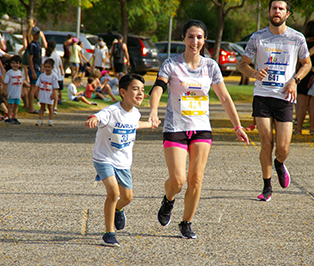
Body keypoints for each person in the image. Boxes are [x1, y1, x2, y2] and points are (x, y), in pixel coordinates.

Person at [148, 19, 249, 239]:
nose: (195, 41)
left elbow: (224, 97)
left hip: (202, 129)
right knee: (178, 181)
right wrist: (154, 111)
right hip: (175, 127)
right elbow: (157, 88)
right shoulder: (171, 64)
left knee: (196, 178)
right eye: (191, 36)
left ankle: (186, 223)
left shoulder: (210, 66)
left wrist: (237, 126)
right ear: (183, 38)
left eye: (200, 37)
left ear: (204, 40)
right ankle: (168, 200)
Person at [238, 0, 312, 202]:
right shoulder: (258, 37)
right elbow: (242, 64)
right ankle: (267, 186)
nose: (277, 11)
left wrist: (295, 81)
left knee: (283, 148)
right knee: (266, 143)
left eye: (281, 9)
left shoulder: (296, 38)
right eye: (274, 8)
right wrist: (254, 73)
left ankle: (279, 163)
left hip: (285, 97)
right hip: (262, 95)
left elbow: (307, 63)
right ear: (269, 12)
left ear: (287, 14)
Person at [85, 73, 159, 247]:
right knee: (113, 192)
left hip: (123, 162)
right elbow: (99, 115)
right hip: (104, 158)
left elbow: (134, 124)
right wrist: (93, 119)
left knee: (127, 197)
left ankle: (118, 209)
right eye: (135, 89)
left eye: (142, 90)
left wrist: (150, 124)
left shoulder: (136, 113)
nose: (140, 93)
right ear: (123, 92)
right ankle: (109, 234)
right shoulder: (111, 111)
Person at [294, 21, 314, 136]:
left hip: (303, 74)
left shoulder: (302, 43)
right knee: (313, 104)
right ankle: (312, 128)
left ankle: (298, 128)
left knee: (301, 104)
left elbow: (299, 61)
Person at [35, 59, 59, 126]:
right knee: (42, 107)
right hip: (43, 93)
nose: (47, 68)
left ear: (52, 68)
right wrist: (36, 92)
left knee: (50, 107)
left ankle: (50, 120)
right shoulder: (42, 76)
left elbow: (55, 87)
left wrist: (54, 94)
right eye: (46, 67)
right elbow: (38, 85)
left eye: (49, 67)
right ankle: (40, 119)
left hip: (49, 94)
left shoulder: (53, 77)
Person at [4, 55, 28, 124]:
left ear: (19, 64)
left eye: (17, 63)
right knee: (11, 105)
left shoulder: (20, 73)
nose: (15, 65)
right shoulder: (9, 73)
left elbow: (22, 82)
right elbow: (6, 82)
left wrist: (22, 91)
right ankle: (9, 117)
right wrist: (6, 90)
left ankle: (15, 117)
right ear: (11, 64)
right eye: (13, 63)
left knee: (16, 105)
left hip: (18, 92)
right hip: (11, 91)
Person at [43, 40, 64, 114]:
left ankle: (45, 107)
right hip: (56, 75)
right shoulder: (56, 56)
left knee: (46, 91)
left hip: (47, 75)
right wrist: (62, 73)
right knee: (55, 91)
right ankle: (55, 107)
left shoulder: (45, 56)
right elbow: (60, 66)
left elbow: (42, 66)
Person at [28, 26, 43, 114]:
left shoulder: (38, 44)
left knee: (35, 88)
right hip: (34, 68)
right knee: (33, 88)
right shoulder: (32, 45)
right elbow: (30, 58)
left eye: (38, 33)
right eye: (36, 33)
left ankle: (31, 105)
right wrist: (33, 71)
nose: (37, 35)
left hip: (38, 67)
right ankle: (31, 107)